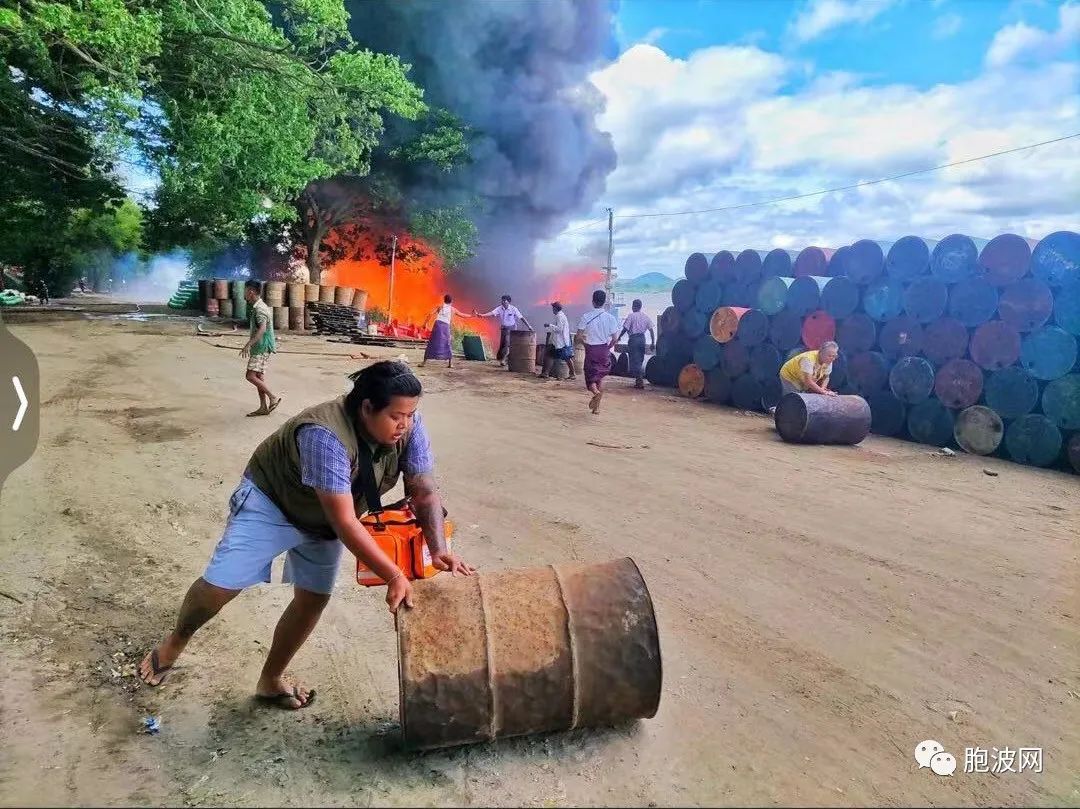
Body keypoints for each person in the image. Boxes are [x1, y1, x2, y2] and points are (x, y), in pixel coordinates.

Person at [137, 361, 475, 708]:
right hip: (273, 504)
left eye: (410, 414)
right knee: (222, 583)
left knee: (313, 597)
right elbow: (345, 522)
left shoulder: (409, 425)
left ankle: (270, 680)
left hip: (325, 518)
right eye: (396, 416)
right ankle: (175, 642)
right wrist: (394, 574)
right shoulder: (323, 433)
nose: (405, 424)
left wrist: (437, 549)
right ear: (367, 407)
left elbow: (424, 491)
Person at [239, 280, 281, 417]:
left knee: (250, 376)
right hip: (262, 346)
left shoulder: (260, 309)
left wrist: (248, 345)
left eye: (245, 291)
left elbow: (262, 329)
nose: (244, 293)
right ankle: (263, 407)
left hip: (261, 347)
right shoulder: (259, 306)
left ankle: (272, 397)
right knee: (258, 377)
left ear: (251, 292)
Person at [576, 290, 620, 414]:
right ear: (604, 301)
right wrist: (608, 346)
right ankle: (596, 408)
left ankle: (596, 393)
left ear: (593, 301)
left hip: (591, 349)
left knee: (590, 377)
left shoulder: (586, 316)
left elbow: (579, 336)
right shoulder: (611, 318)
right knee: (600, 377)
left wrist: (584, 343)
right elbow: (615, 338)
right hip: (604, 350)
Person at [474, 295, 532, 366]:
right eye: (502, 300)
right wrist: (482, 315)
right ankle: (504, 358)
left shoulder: (514, 309)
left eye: (504, 301)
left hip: (511, 329)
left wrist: (529, 326)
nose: (503, 302)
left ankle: (503, 360)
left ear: (509, 302)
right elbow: (491, 313)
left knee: (507, 344)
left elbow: (521, 318)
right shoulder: (499, 308)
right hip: (504, 329)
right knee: (502, 345)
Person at [420, 294, 471, 369]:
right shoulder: (452, 309)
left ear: (444, 300)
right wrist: (472, 315)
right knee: (447, 343)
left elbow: (430, 314)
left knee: (432, 342)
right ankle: (450, 364)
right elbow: (462, 315)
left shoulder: (440, 307)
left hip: (437, 325)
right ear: (451, 301)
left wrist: (425, 324)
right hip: (445, 327)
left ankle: (424, 362)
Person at [617, 299, 655, 389]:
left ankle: (639, 380)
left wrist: (619, 337)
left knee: (634, 360)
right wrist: (653, 342)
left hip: (633, 339)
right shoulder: (645, 317)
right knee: (640, 359)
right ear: (640, 307)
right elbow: (651, 330)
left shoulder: (631, 316)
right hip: (642, 339)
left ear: (633, 306)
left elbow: (625, 328)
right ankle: (638, 380)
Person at [538, 301, 576, 380]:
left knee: (566, 357)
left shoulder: (559, 316)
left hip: (560, 342)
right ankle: (546, 373)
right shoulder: (561, 315)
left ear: (555, 309)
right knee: (551, 355)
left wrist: (549, 325)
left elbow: (559, 329)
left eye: (553, 308)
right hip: (559, 342)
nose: (552, 310)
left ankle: (572, 374)